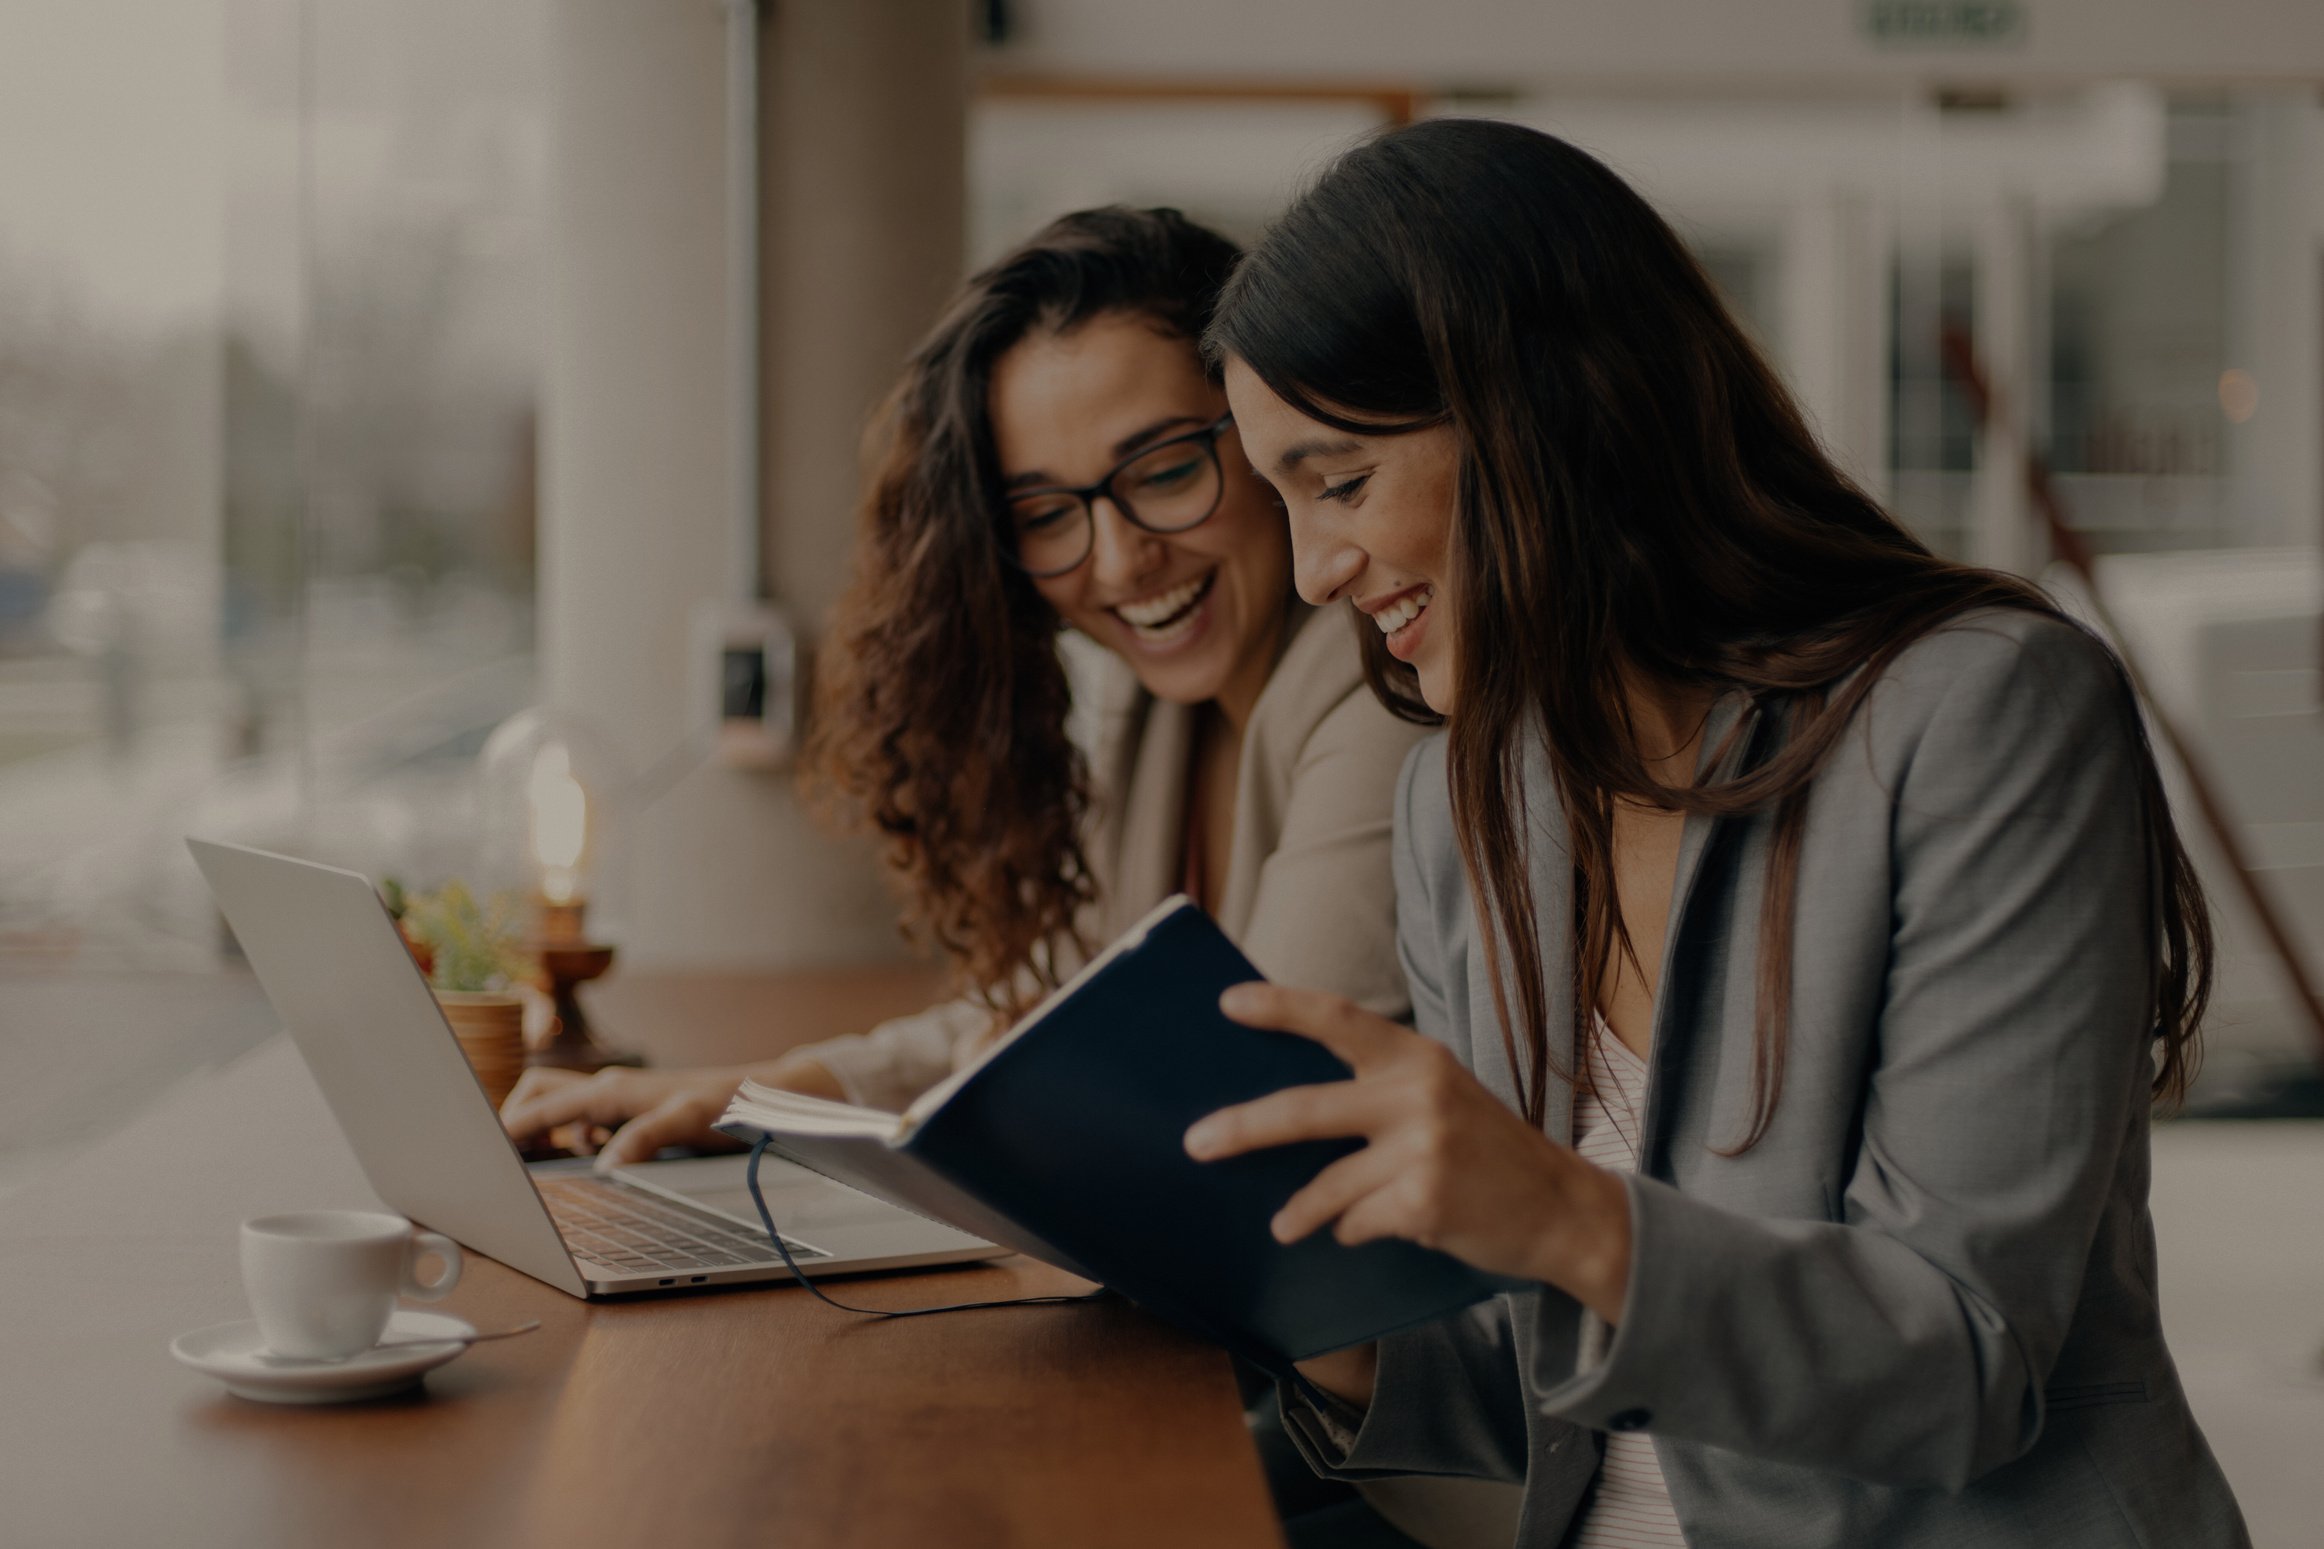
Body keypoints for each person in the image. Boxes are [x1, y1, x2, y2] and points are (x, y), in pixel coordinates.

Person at [1188, 118, 2251, 1547]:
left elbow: (1962, 1355)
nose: (1316, 570)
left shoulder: (1984, 714)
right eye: (1283, 501)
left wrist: (1565, 1216)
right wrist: (1305, 1307)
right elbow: (1526, 1388)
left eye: (1341, 482)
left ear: (1539, 413)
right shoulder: (1462, 805)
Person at [498, 206, 1426, 1194]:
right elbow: (1038, 1014)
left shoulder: (1374, 687)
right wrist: (758, 1094)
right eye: (1043, 513)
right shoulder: (1153, 711)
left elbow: (1252, 1098)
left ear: (1264, 430)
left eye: (1161, 471)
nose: (1117, 560)